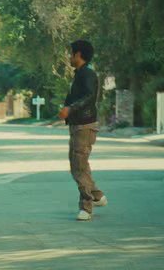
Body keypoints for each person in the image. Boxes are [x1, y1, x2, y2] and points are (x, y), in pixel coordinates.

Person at [58, 40, 107, 221]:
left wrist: (70, 109)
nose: (69, 57)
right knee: (78, 165)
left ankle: (86, 207)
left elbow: (89, 97)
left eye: (71, 53)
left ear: (78, 54)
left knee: (79, 166)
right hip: (78, 125)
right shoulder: (79, 74)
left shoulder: (87, 74)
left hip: (85, 125)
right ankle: (97, 195)